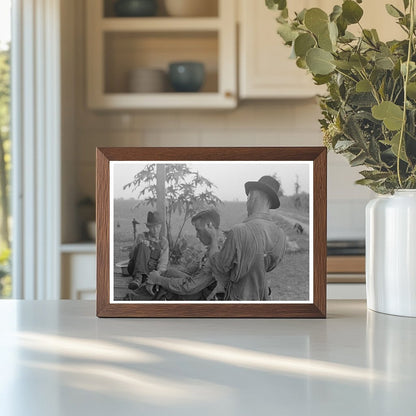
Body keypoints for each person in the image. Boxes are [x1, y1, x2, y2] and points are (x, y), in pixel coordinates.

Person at [206, 175, 286, 301]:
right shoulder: (280, 234)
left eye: (248, 197)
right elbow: (268, 266)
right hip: (263, 297)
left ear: (253, 197)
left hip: (238, 300)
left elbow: (220, 267)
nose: (247, 202)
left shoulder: (239, 231)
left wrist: (214, 240)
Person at [146, 209, 223, 300]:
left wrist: (158, 279)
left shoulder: (217, 253)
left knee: (165, 283)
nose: (197, 235)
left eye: (198, 230)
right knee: (169, 273)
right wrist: (160, 274)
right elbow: (192, 271)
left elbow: (189, 287)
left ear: (209, 226)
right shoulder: (215, 246)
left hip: (206, 299)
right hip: (199, 289)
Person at [127, 211, 169, 291]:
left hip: (151, 271)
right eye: (152, 227)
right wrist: (139, 245)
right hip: (135, 269)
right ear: (148, 227)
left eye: (157, 227)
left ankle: (145, 279)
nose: (155, 230)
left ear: (161, 226)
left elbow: (163, 263)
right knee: (143, 246)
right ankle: (138, 278)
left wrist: (157, 275)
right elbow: (131, 256)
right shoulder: (141, 236)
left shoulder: (163, 241)